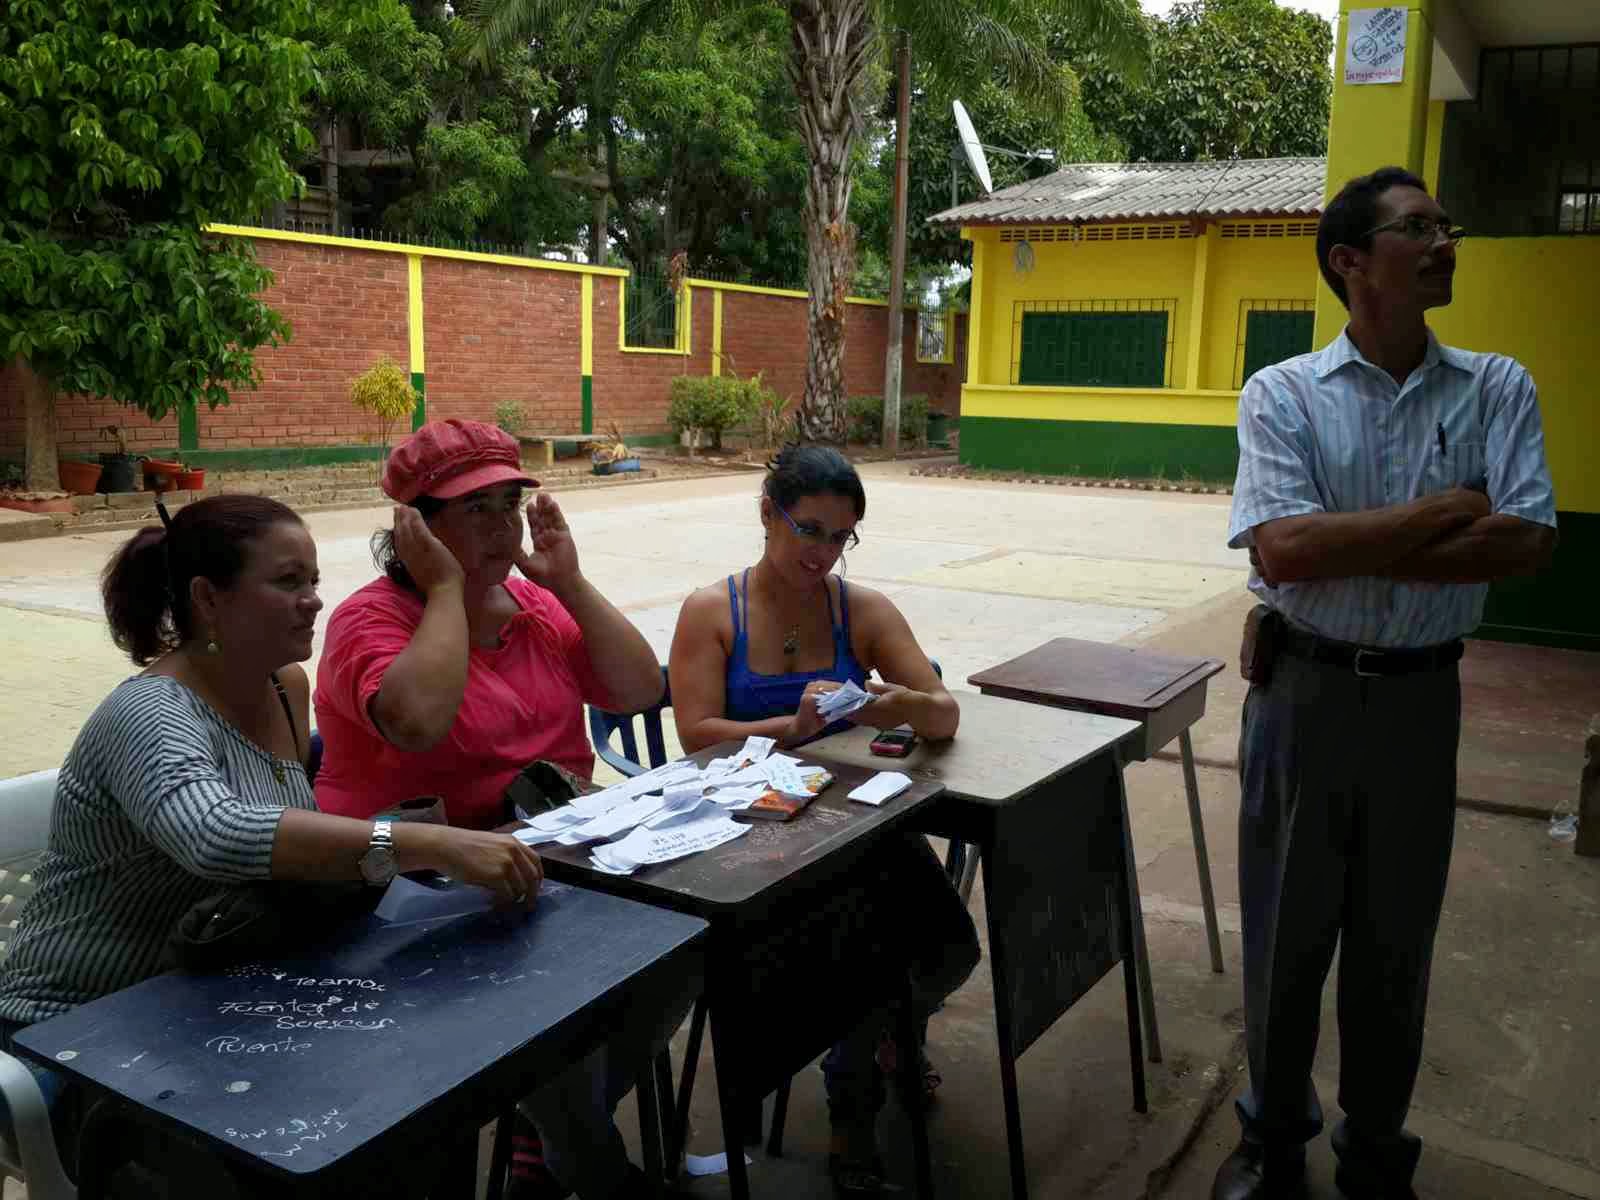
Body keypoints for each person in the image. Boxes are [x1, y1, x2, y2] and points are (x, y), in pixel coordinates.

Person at [0, 495, 544, 1176]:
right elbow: (216, 833)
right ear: (209, 598)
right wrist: (425, 844)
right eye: (287, 582)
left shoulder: (284, 688)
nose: (313, 600)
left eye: (313, 579)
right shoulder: (149, 712)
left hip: (200, 1001)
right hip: (67, 1036)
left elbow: (286, 863)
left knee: (427, 1089)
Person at [1215, 167, 1557, 1200]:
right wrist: (1447, 509)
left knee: (1395, 939)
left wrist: (1347, 546)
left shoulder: (1497, 386)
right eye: (1418, 227)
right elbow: (1282, 550)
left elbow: (1526, 541)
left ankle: (1374, 1152)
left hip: (1420, 701)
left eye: (1447, 226)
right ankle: (1272, 1141)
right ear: (1350, 261)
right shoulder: (1282, 393)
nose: (1445, 242)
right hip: (1304, 697)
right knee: (1285, 933)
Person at [313, 418, 667, 1200]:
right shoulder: (369, 621)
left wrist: (571, 583)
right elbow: (416, 721)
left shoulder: (534, 605)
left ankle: (549, 1138)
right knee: (545, 1011)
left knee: (682, 952)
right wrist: (445, 591)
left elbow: (640, 690)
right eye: (476, 509)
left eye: (509, 505)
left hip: (551, 862)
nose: (503, 527)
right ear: (414, 529)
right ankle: (591, 1169)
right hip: (413, 890)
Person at [668, 445, 979, 1197]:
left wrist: (901, 703)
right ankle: (854, 1105)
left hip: (853, 827)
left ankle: (884, 1039)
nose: (823, 552)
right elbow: (696, 736)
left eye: (841, 537)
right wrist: (792, 725)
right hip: (747, 837)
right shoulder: (713, 610)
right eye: (809, 530)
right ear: (767, 513)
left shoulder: (859, 609)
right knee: (863, 949)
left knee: (947, 947)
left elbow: (944, 713)